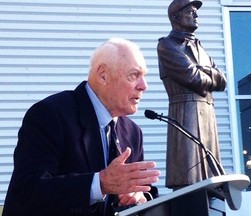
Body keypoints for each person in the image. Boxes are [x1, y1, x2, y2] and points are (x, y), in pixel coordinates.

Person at [3, 38, 160, 216]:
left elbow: (143, 191)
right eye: (134, 75)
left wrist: (139, 198)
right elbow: (28, 191)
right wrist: (100, 184)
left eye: (144, 76)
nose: (144, 86)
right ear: (103, 75)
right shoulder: (50, 115)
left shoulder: (132, 132)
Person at [157, 0, 226, 189]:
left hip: (207, 116)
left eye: (196, 11)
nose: (196, 15)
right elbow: (193, 77)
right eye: (190, 11)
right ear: (176, 17)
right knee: (189, 179)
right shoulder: (167, 45)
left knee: (212, 182)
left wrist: (203, 71)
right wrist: (206, 74)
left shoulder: (200, 48)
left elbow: (223, 81)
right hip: (187, 114)